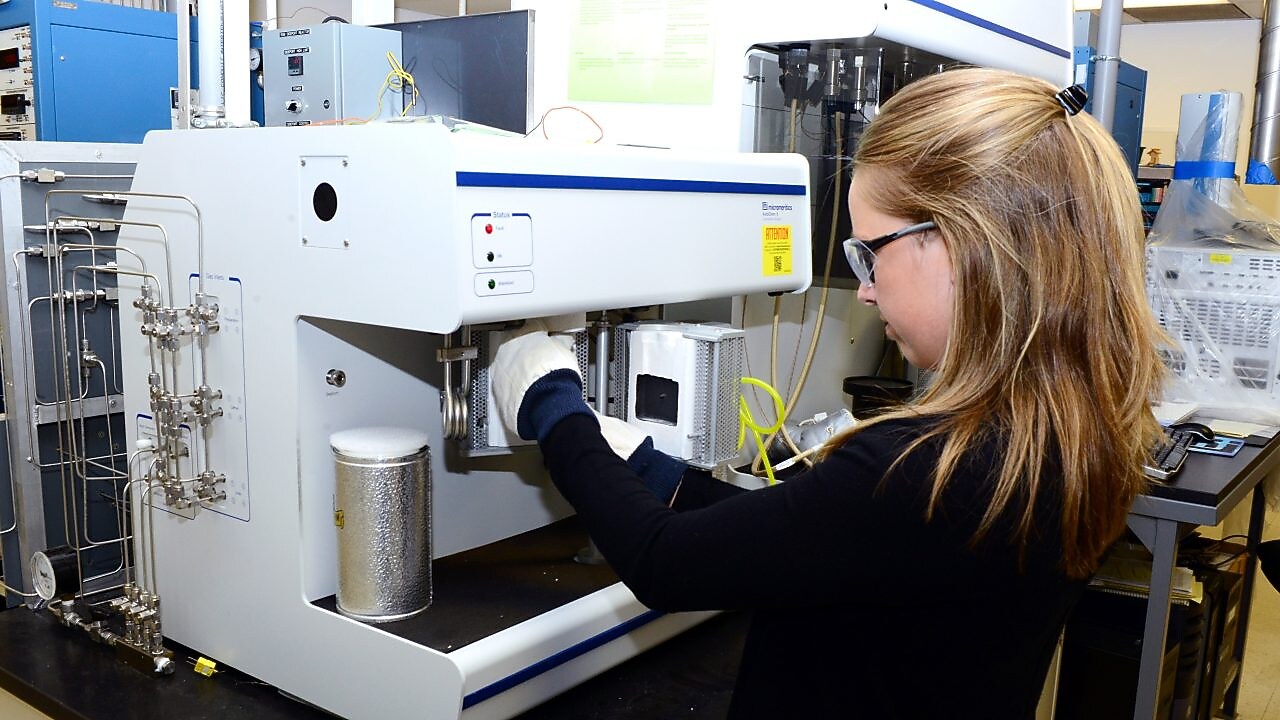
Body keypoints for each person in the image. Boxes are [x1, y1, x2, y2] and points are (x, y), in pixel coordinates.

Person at [491, 67, 1167, 719]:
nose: (865, 290)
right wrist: (641, 463)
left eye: (871, 253)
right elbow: (808, 532)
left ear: (963, 245)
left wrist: (552, 403)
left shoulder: (920, 466)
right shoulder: (1064, 436)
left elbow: (663, 561)